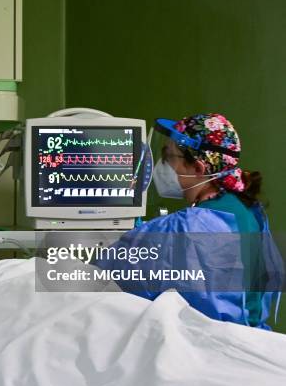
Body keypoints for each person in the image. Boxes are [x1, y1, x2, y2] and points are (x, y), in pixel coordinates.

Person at [96, 113, 283, 329]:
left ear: (198, 169)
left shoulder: (191, 226)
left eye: (169, 157)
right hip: (250, 336)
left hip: (210, 346)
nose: (163, 166)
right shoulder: (248, 209)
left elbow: (109, 270)